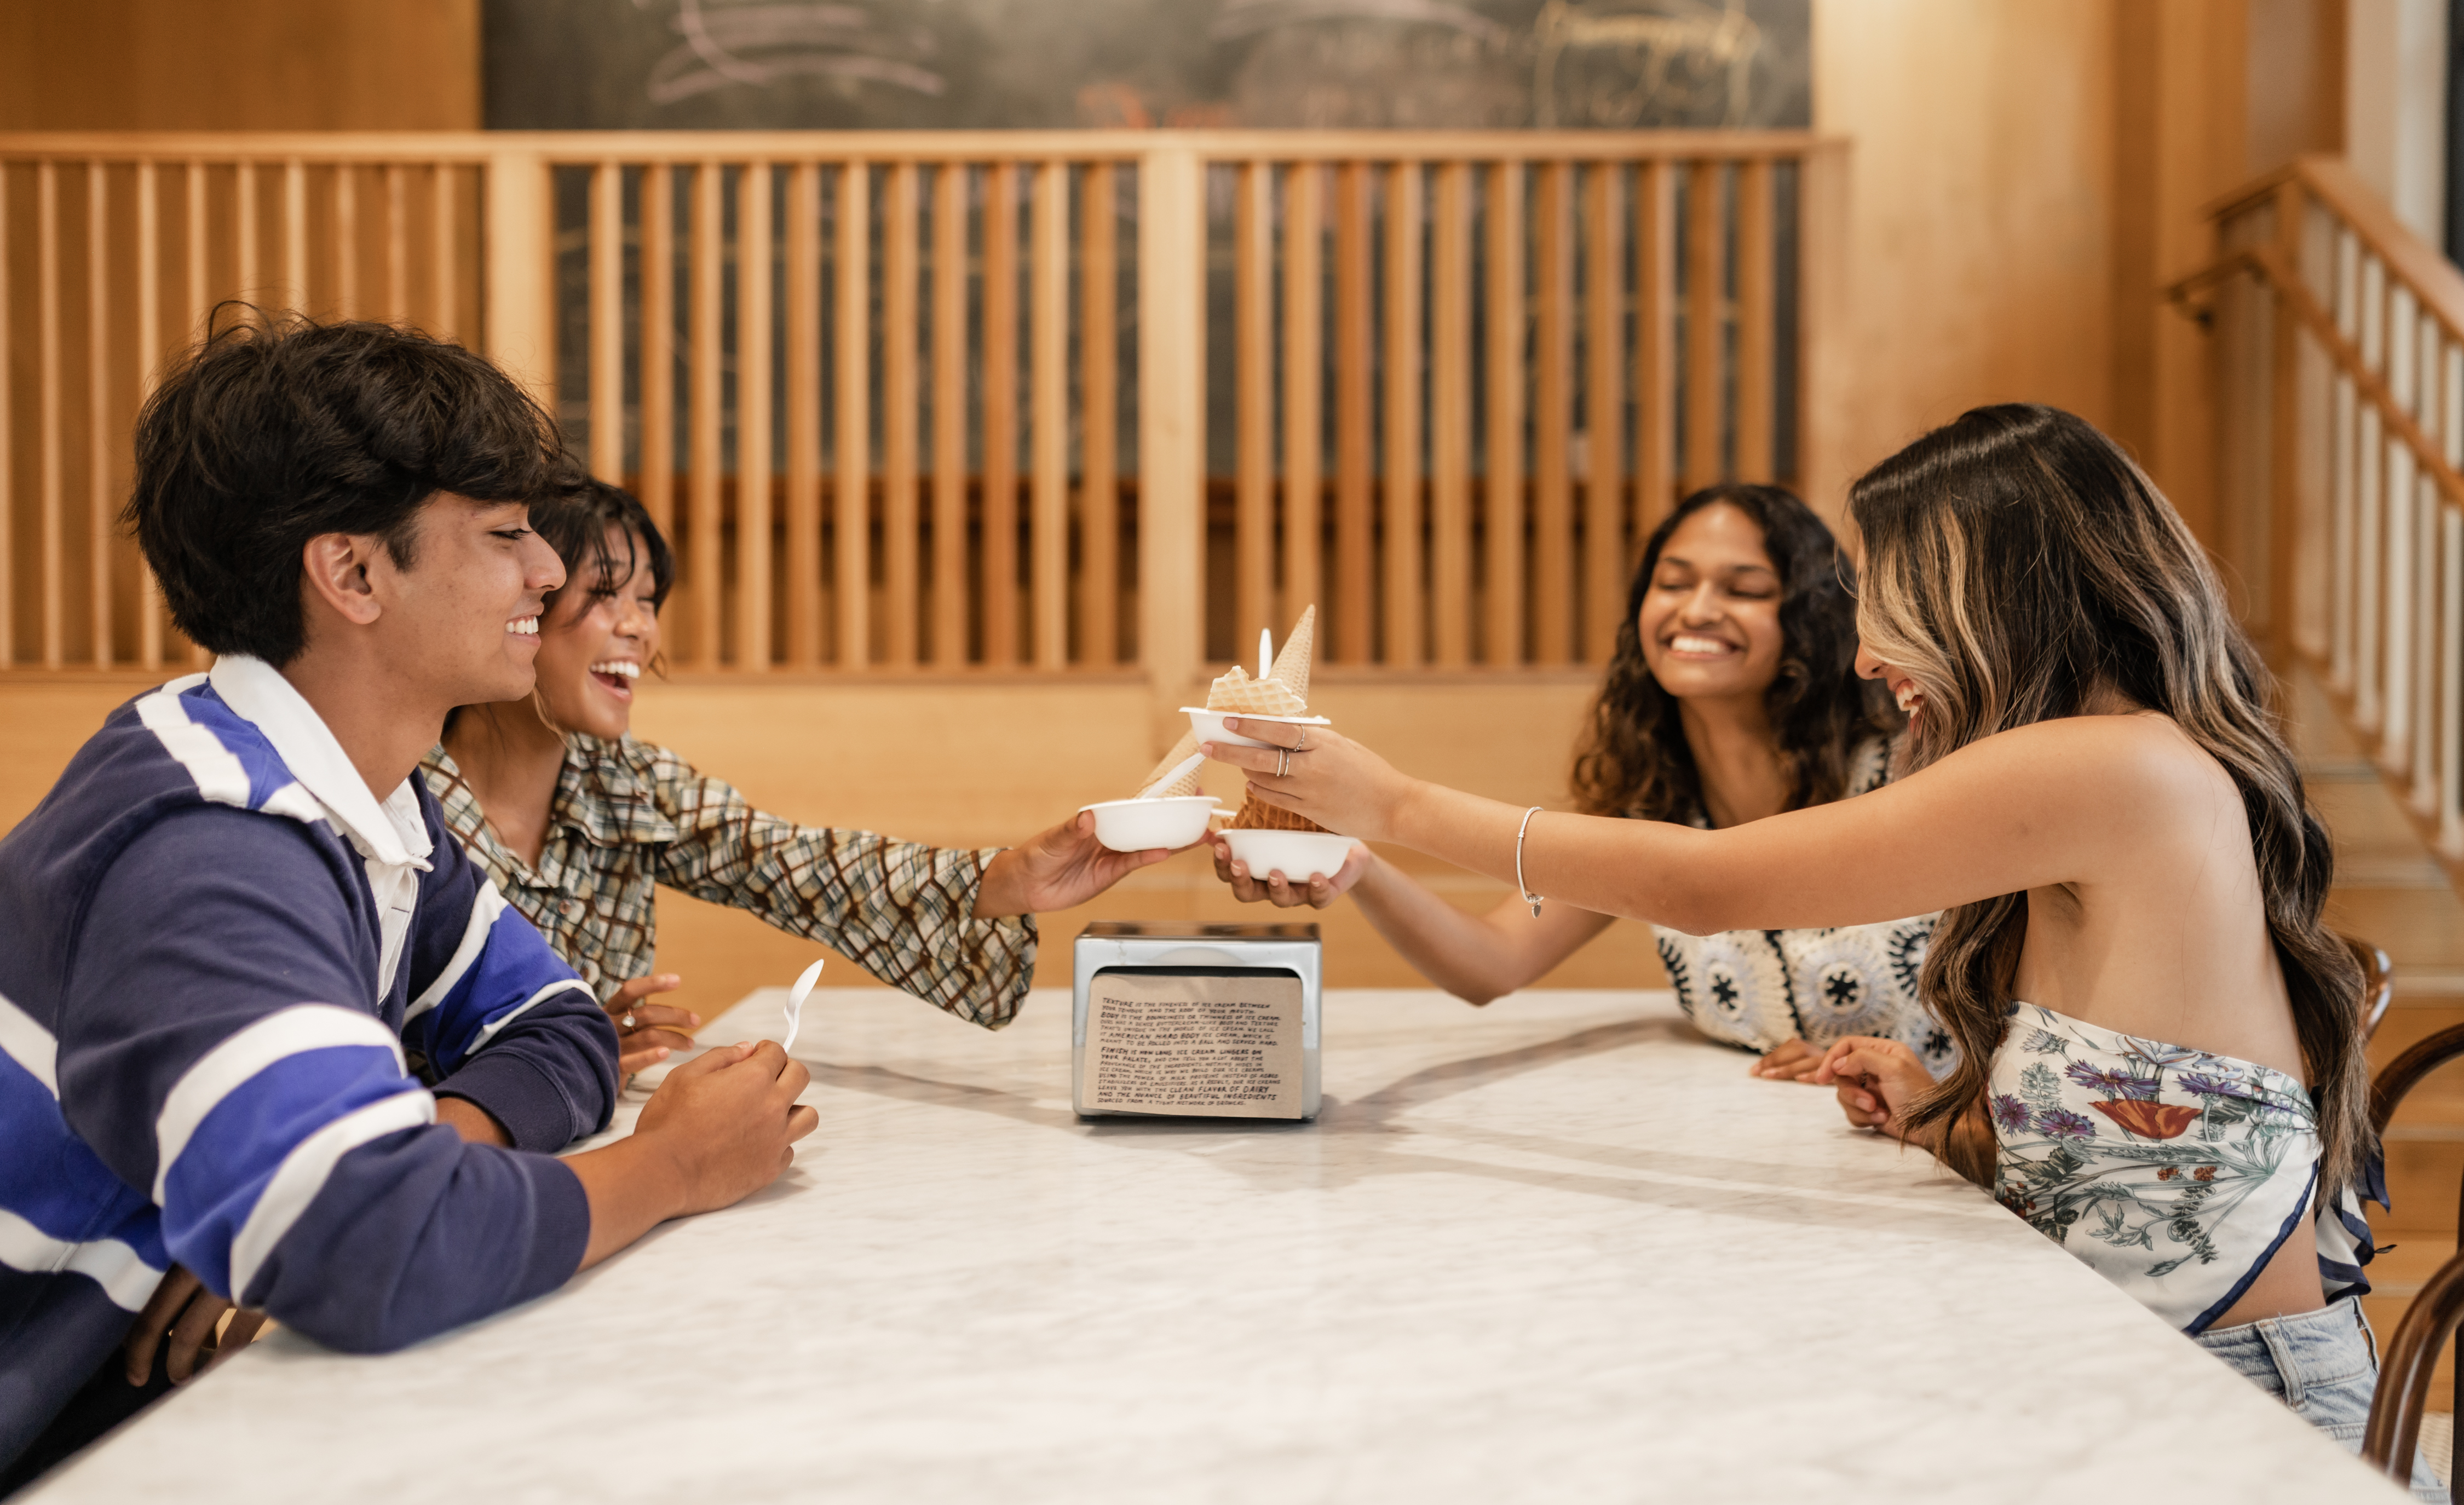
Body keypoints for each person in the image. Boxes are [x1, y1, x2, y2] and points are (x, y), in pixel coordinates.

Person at [1199, 405, 2428, 1489]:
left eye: (1884, 599)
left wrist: (1394, 805)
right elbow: (2138, 1121)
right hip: (2131, 1350)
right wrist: (1953, 1106)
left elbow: (1706, 885)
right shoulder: (2100, 775)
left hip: (2233, 1395)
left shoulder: (2113, 767)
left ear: (1984, 588)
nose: (1862, 653)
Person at [0, 315, 814, 1490]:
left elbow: (559, 1023)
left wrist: (405, 1150)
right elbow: (376, 1250)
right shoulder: (214, 840)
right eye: (504, 534)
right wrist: (675, 1166)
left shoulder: (371, 806)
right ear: (352, 574)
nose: (548, 571)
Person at [422, 465, 1173, 1076]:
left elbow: (796, 863)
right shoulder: (403, 801)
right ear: (523, 601)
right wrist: (569, 1054)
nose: (639, 626)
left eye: (648, 599)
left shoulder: (626, 781)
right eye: (605, 593)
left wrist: (1008, 875)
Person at [1214, 485, 1945, 1081]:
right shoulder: (1652, 804)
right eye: (1673, 582)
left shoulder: (1911, 766)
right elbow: (1492, 960)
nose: (1696, 609)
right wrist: (1354, 861)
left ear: (1812, 618)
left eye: (1745, 588)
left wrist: (1917, 1076)